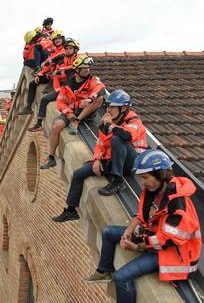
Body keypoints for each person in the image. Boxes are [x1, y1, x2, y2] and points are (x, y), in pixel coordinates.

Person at [84, 149, 200, 303]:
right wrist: (129, 231)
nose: (142, 182)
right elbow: (141, 216)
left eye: (146, 177)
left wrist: (136, 246)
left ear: (161, 175)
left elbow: (166, 240)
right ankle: (103, 271)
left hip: (171, 254)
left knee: (122, 277)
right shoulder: (152, 191)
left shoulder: (178, 204)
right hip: (154, 238)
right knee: (109, 232)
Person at [52, 89, 149, 222]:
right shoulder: (107, 121)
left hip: (132, 162)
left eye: (113, 107)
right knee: (79, 174)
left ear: (124, 108)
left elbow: (127, 135)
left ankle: (118, 180)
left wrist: (109, 125)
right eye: (108, 106)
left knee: (116, 138)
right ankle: (71, 210)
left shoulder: (133, 120)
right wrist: (96, 159)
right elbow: (100, 142)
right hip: (114, 160)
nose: (109, 110)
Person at [40, 55, 106, 169]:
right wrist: (69, 114)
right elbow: (60, 102)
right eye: (84, 68)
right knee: (56, 126)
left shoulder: (92, 79)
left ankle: (77, 121)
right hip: (73, 110)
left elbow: (100, 89)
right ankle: (51, 158)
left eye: (88, 68)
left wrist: (90, 98)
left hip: (88, 111)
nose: (87, 70)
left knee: (99, 99)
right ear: (77, 70)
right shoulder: (68, 84)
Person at [27, 38, 80, 132]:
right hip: (63, 89)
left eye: (70, 48)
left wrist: (61, 69)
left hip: (75, 91)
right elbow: (56, 74)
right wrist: (57, 86)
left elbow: (74, 68)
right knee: (44, 99)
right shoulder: (62, 59)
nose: (67, 50)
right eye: (67, 48)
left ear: (75, 50)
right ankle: (39, 124)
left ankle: (73, 122)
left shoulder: (79, 60)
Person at [20, 29, 65, 116]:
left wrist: (51, 60)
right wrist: (39, 74)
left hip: (60, 78)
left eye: (59, 38)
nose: (57, 40)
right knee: (32, 84)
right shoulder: (54, 50)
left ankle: (52, 85)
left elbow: (62, 57)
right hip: (50, 75)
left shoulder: (66, 49)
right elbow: (47, 64)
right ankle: (28, 108)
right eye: (55, 39)